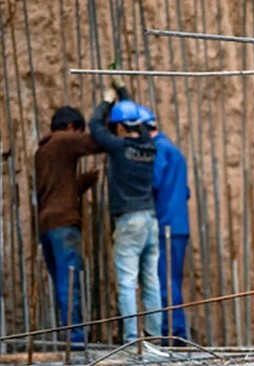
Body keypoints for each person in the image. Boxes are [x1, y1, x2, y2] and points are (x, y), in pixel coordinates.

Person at [89, 86, 161, 343]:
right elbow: (137, 123)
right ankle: (154, 337)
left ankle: (132, 339)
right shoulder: (149, 146)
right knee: (151, 282)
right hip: (150, 220)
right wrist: (123, 92)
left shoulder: (119, 148)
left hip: (129, 221)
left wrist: (107, 101)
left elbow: (95, 126)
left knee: (128, 283)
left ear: (119, 127)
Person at [35, 106, 102, 345]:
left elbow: (59, 189)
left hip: (46, 225)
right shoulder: (63, 140)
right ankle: (74, 340)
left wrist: (85, 181)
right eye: (78, 131)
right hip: (63, 223)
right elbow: (96, 142)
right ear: (71, 127)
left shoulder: (42, 150)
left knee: (62, 283)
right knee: (70, 283)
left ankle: (69, 336)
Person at [138, 104, 191, 343]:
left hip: (165, 226)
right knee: (172, 280)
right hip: (179, 225)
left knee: (165, 283)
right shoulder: (174, 150)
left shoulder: (159, 150)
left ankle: (175, 336)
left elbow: (153, 182)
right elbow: (185, 191)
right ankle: (175, 333)